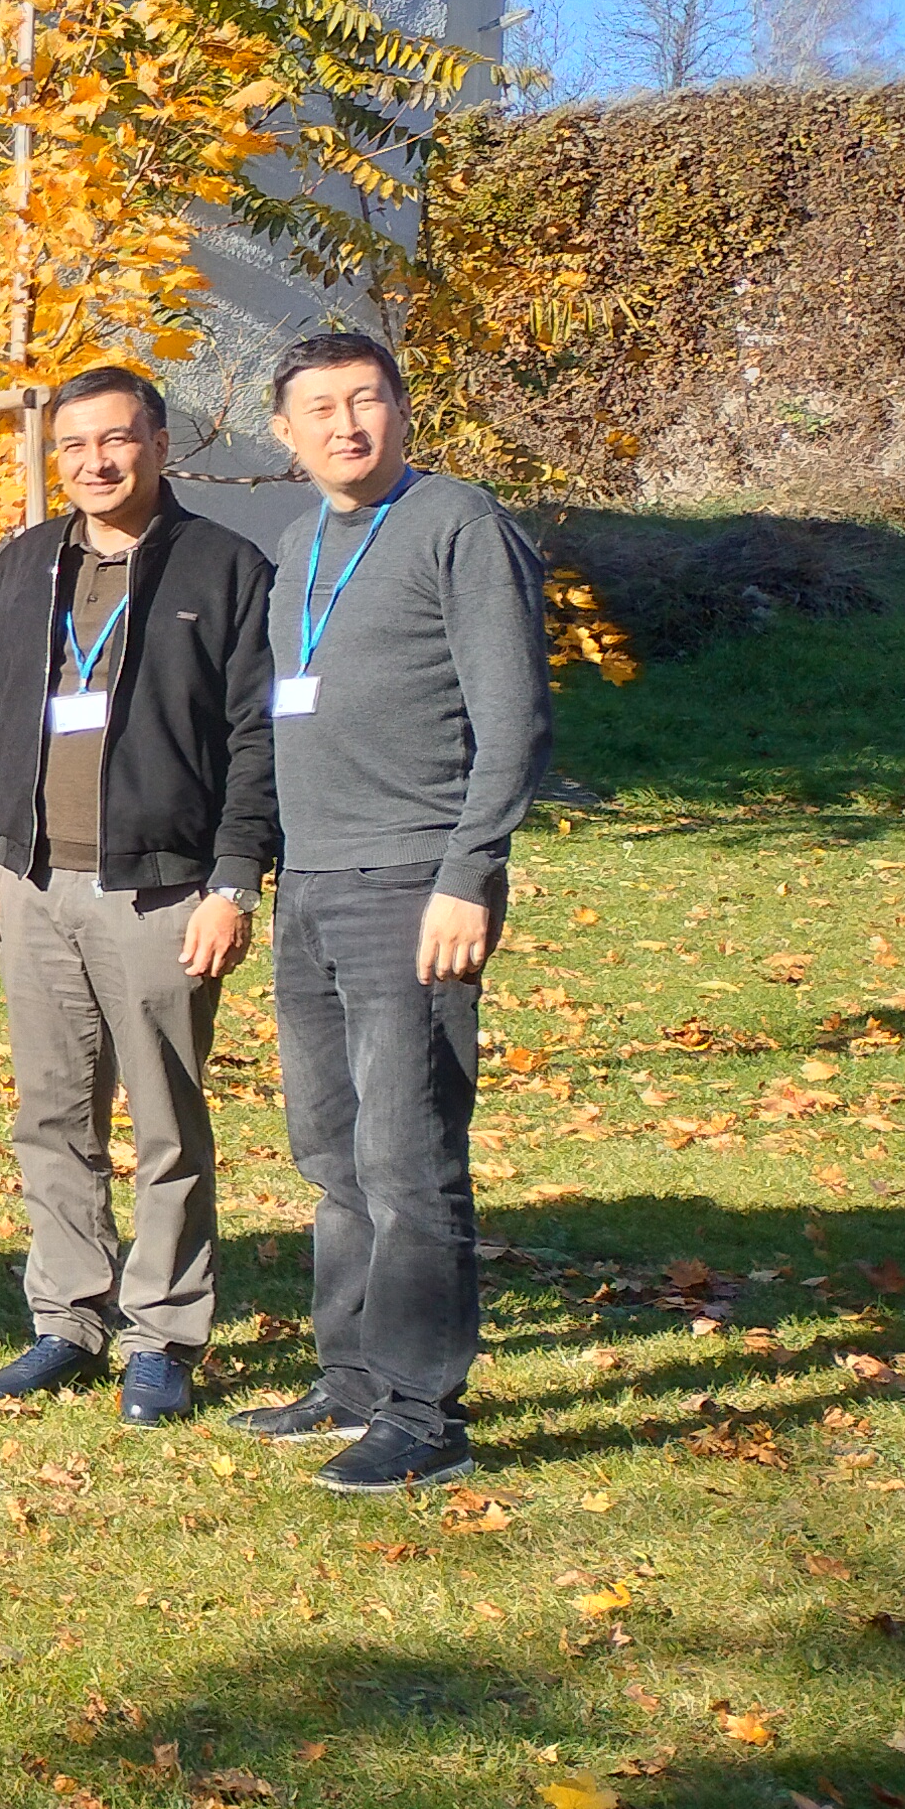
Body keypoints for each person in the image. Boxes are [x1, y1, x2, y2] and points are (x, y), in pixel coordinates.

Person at [245, 330, 550, 1494]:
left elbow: (511, 718)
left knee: (407, 1155)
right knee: (331, 1150)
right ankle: (353, 1378)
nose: (345, 425)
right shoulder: (297, 544)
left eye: (365, 399)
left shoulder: (457, 525)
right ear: (284, 433)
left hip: (413, 883)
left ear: (402, 409)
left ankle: (425, 1414)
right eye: (319, 408)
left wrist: (468, 873)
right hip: (311, 883)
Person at [0, 364, 278, 1427]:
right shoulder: (24, 563)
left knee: (166, 1123)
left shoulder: (224, 567)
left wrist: (235, 880)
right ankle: (67, 1319)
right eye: (75, 445)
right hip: (34, 881)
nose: (95, 462)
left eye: (116, 439)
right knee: (51, 1115)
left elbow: (255, 735)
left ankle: (164, 1335)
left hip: (162, 889)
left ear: (158, 444)